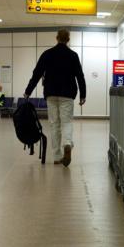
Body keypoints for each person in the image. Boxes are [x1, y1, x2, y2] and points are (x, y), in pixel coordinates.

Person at [24, 29, 86, 167]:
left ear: (57, 38)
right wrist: (83, 95)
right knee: (67, 122)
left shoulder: (47, 54)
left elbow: (37, 73)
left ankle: (57, 156)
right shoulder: (73, 55)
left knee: (54, 124)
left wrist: (28, 91)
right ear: (68, 39)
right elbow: (80, 76)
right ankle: (68, 143)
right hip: (68, 94)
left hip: (51, 93)